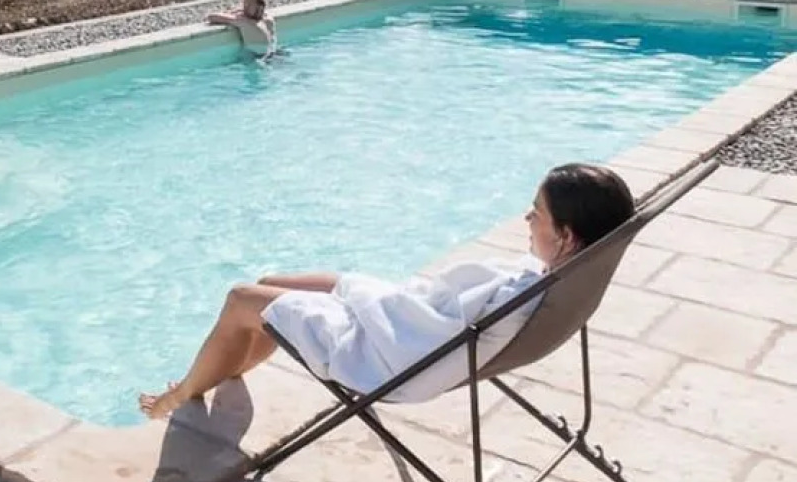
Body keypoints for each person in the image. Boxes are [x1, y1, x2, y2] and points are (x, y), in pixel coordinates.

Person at [138, 164, 635, 420]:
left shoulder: (516, 295)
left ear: (566, 236)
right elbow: (434, 315)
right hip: (405, 331)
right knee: (271, 287)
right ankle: (222, 371)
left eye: (537, 213)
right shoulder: (549, 283)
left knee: (241, 298)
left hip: (388, 360)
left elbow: (419, 335)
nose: (527, 217)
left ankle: (180, 395)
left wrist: (370, 302)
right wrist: (369, 296)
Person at [208, 0, 276, 59]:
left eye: (248, 5)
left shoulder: (245, 22)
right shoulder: (269, 20)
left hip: (257, 59)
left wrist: (236, 14)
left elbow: (211, 17)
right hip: (272, 55)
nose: (245, 8)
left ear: (257, 8)